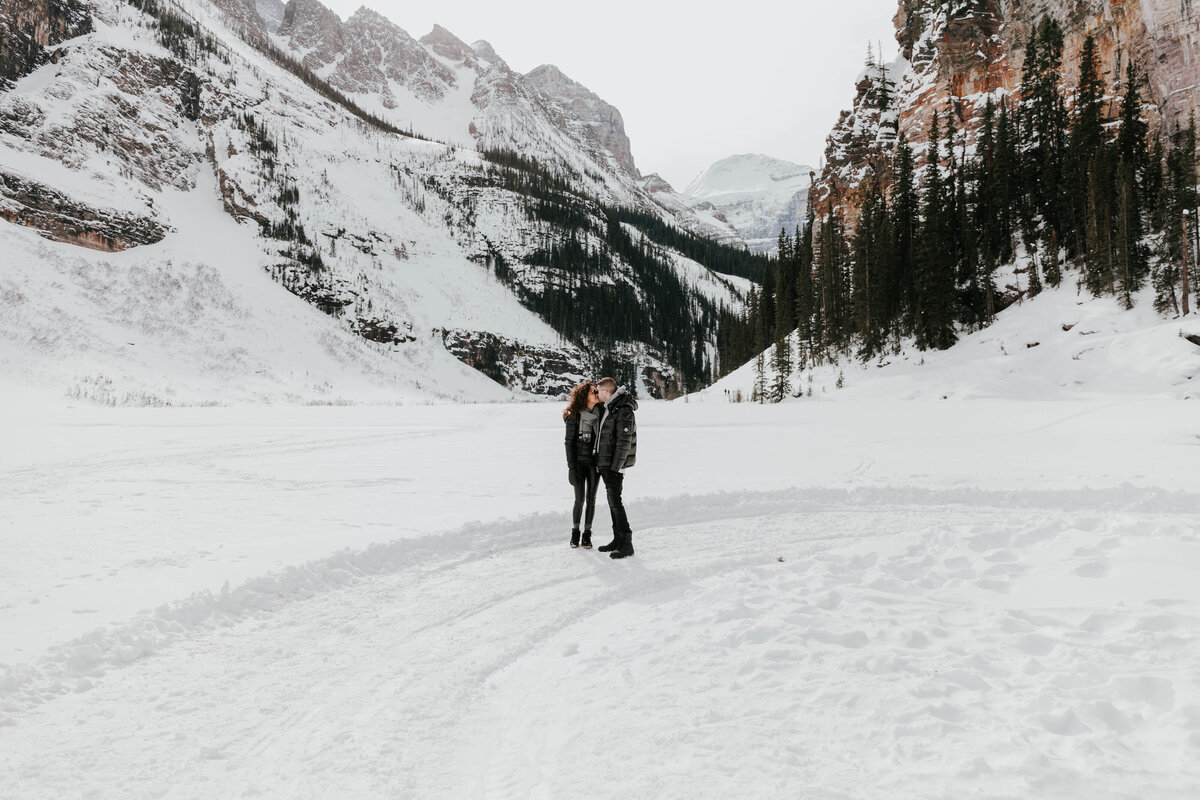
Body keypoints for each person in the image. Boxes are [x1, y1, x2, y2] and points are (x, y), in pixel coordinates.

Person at [593, 376, 638, 559]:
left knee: (616, 502)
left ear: (606, 391)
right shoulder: (611, 407)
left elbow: (624, 442)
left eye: (598, 391)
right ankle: (617, 540)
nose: (596, 394)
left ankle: (627, 544)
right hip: (607, 464)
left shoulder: (623, 410)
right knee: (613, 502)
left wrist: (614, 468)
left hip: (614, 466)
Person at [563, 382, 602, 549]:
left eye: (597, 391)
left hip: (595, 463)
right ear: (584, 395)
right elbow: (569, 443)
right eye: (593, 391)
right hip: (579, 463)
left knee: (591, 499)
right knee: (579, 499)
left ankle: (587, 534)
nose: (596, 393)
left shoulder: (602, 413)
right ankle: (575, 532)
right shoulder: (574, 415)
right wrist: (571, 468)